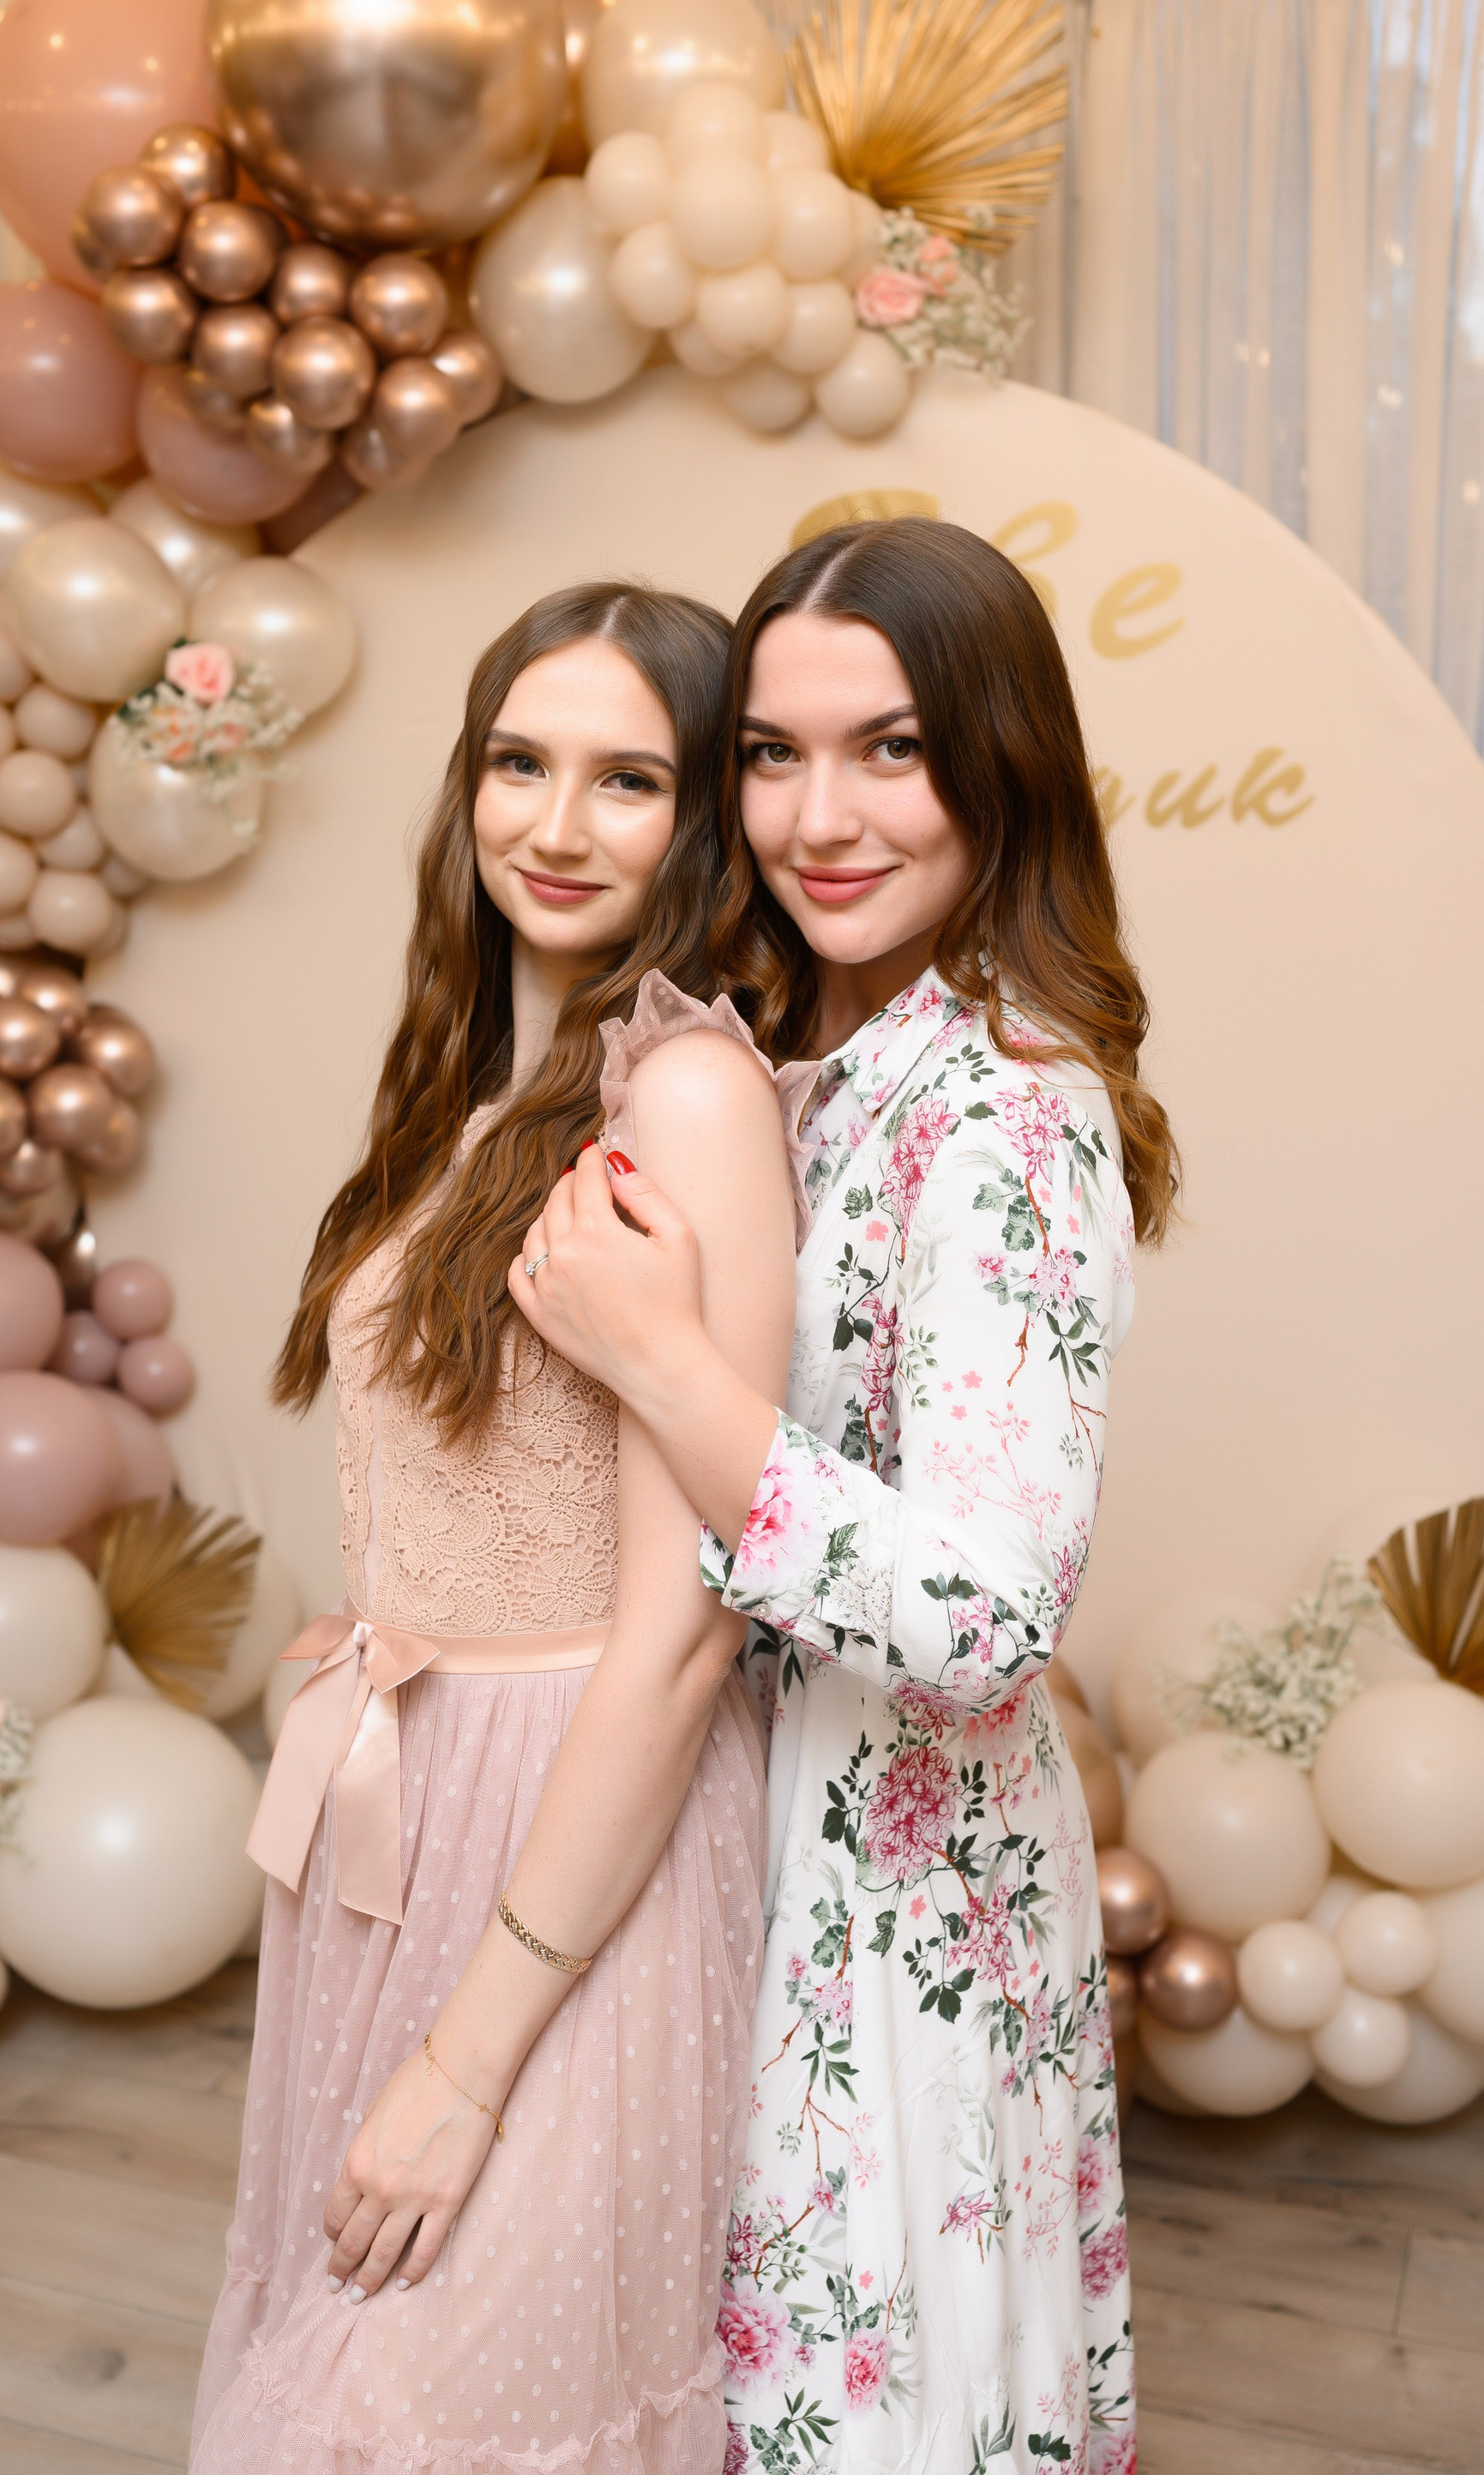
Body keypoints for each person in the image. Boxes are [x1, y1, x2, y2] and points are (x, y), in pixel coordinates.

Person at [508, 518, 1179, 2475]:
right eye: (771, 755)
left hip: (898, 1916)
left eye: (891, 748)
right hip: (756, 1846)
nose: (821, 817)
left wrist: (667, 1364)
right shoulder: (820, 1049)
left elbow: (982, 1624)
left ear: (1001, 756)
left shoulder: (1007, 1108)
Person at [191, 582, 808, 2472]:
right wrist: (396, 1613)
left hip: (578, 1812)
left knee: (425, 2407)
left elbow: (687, 1627)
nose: (554, 823)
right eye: (518, 763)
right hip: (415, 1792)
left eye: (627, 779)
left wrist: (467, 2064)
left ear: (704, 819)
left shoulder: (685, 1092)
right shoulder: (484, 1086)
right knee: (343, 2349)